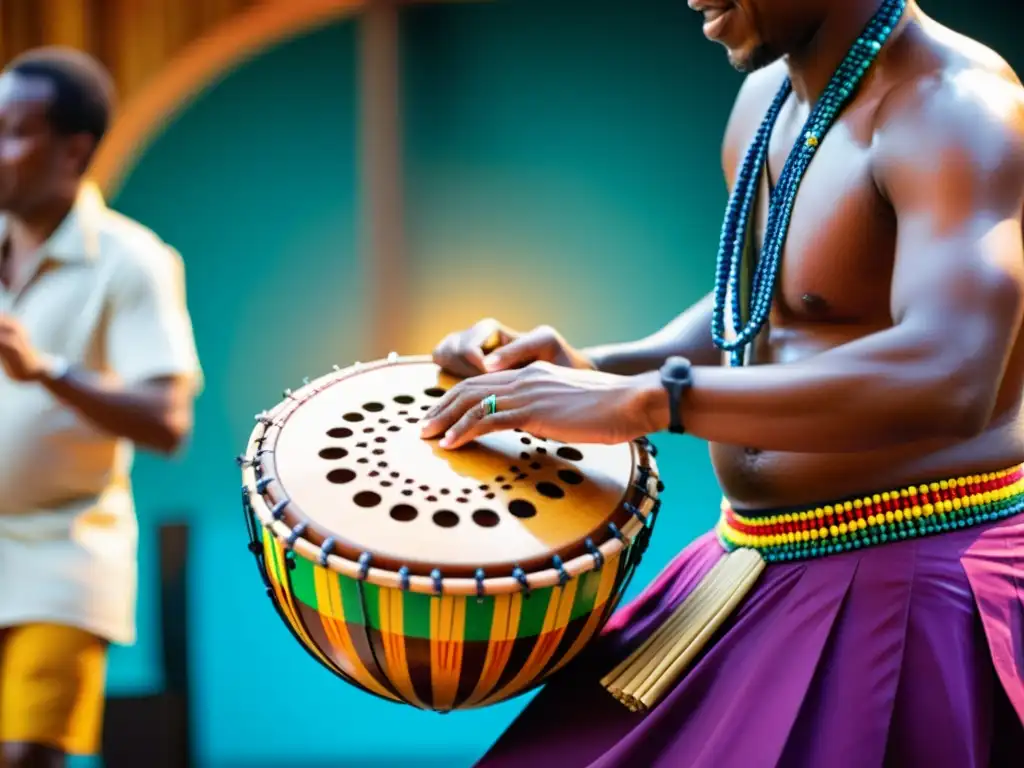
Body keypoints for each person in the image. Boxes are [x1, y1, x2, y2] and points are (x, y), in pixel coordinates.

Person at [420, 0, 1024, 765]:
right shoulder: (765, 98)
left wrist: (652, 401)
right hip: (748, 562)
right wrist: (597, 367)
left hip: (909, 594)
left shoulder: (958, 109)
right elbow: (774, 304)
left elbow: (950, 375)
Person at [0, 47, 202, 767]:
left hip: (61, 549)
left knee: (24, 755)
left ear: (72, 149)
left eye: (13, 132)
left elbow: (167, 420)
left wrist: (46, 371)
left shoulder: (131, 260)